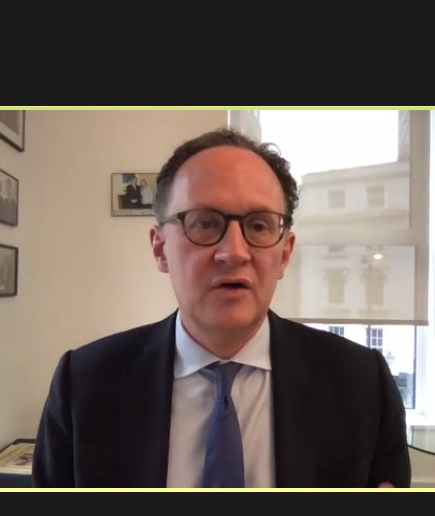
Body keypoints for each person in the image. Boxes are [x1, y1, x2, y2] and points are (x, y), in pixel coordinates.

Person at [32, 128, 410, 488]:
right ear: (160, 249)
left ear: (284, 254)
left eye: (259, 226)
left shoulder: (361, 384)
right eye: (205, 223)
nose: (234, 252)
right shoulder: (85, 384)